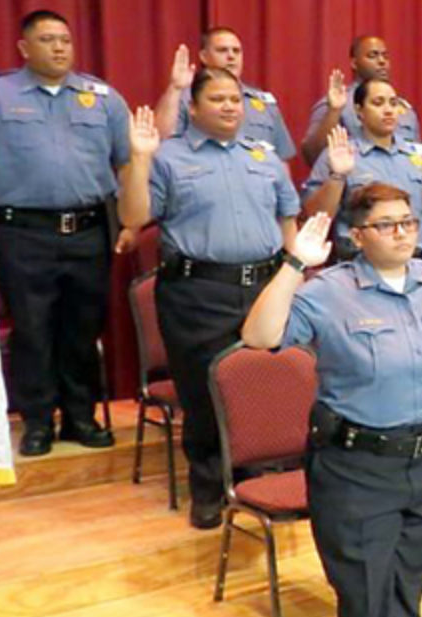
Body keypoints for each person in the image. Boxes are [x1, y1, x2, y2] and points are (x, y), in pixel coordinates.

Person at [241, 184, 422, 617]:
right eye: (387, 224)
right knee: (365, 588)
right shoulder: (329, 290)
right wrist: (296, 264)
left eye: (408, 222)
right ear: (357, 235)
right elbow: (259, 335)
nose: (402, 232)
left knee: (411, 577)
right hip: (358, 463)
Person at [118, 69, 300, 529]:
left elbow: (288, 224)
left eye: (235, 99)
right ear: (193, 109)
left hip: (263, 286)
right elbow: (135, 216)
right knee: (204, 391)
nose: (229, 106)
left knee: (264, 383)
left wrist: (294, 277)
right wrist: (139, 161)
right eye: (216, 99)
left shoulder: (264, 156)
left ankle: (258, 475)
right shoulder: (168, 157)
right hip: (198, 291)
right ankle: (208, 486)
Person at [0, 9, 129, 456]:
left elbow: (129, 161)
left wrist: (129, 221)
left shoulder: (102, 97)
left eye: (65, 40)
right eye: (48, 40)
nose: (59, 47)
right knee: (32, 329)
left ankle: (80, 416)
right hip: (23, 232)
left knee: (81, 329)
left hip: (88, 231)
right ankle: (37, 421)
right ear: (24, 48)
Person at [302, 80, 422, 265]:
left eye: (393, 102)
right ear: (359, 111)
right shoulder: (339, 153)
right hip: (360, 266)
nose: (388, 110)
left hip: (417, 263)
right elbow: (316, 216)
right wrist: (338, 176)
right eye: (378, 103)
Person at [152, 28, 295, 161]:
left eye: (236, 51)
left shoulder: (263, 102)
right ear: (204, 56)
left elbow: (281, 159)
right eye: (222, 50)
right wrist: (175, 89)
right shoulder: (185, 97)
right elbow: (161, 141)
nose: (231, 56)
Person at [300, 35, 421, 165]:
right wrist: (334, 112)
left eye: (385, 56)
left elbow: (418, 157)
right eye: (372, 55)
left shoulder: (403, 108)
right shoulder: (337, 104)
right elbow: (313, 156)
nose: (382, 61)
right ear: (354, 63)